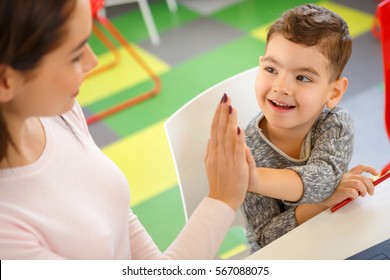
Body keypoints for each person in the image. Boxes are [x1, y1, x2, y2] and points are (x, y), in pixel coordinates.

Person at [0, 0, 251, 259]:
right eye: (75, 56)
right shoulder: (8, 240)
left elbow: (115, 218)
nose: (93, 60)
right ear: (5, 81)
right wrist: (222, 199)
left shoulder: (56, 113)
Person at [241, 4, 378, 253]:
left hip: (336, 234)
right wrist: (321, 204)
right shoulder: (246, 150)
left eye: (302, 78)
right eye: (271, 69)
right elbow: (264, 239)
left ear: (333, 92)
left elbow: (323, 180)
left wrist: (255, 179)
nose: (281, 87)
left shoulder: (334, 123)